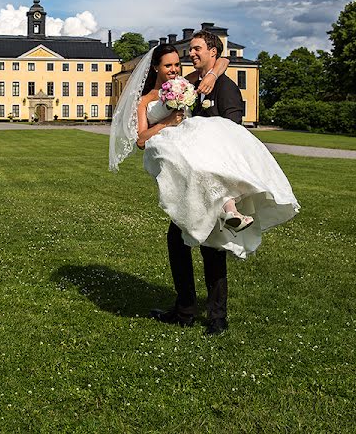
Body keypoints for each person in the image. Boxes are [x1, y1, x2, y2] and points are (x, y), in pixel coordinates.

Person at [109, 33, 299, 335]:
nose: (177, 66)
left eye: (183, 58)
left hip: (205, 166)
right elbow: (142, 138)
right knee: (178, 242)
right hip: (182, 177)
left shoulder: (202, 84)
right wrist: (168, 121)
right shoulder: (166, 92)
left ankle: (216, 317)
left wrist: (212, 70)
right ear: (156, 68)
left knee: (212, 247)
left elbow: (221, 67)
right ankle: (185, 310)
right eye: (170, 64)